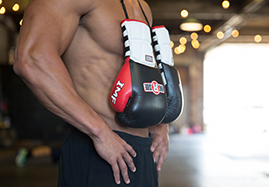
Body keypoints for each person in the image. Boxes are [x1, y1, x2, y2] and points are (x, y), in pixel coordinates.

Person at [13, 0, 169, 186]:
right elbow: (32, 59)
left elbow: (141, 69)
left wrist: (159, 122)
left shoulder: (141, 6)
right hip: (100, 148)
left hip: (142, 152)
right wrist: (99, 133)